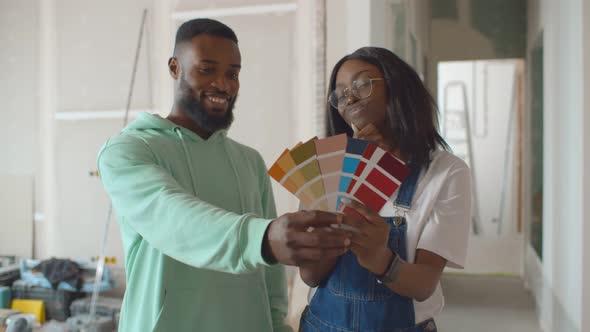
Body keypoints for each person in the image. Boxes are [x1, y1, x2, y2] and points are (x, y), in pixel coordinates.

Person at [97, 18, 351, 332]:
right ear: (175, 68)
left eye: (233, 73)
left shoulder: (249, 161)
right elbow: (171, 216)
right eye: (207, 69)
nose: (224, 83)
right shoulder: (128, 151)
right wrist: (263, 238)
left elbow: (270, 282)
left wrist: (277, 325)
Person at [298, 47, 472, 332]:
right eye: (340, 93)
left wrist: (381, 258)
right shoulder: (326, 165)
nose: (349, 97)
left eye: (362, 84)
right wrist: (346, 193)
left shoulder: (446, 172)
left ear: (397, 87)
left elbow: (424, 284)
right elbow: (310, 275)